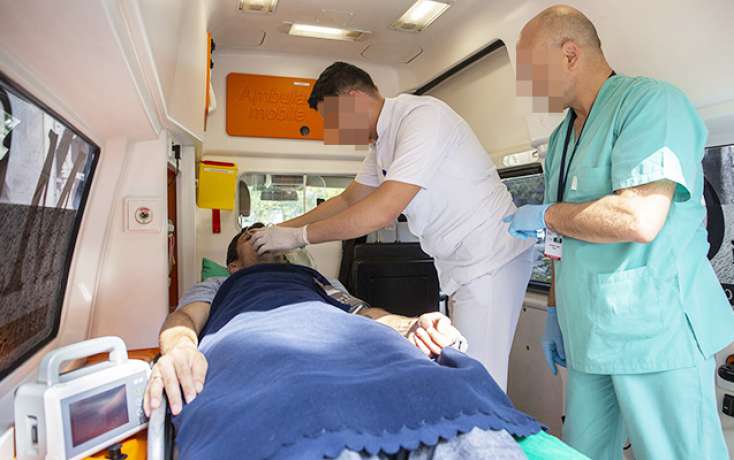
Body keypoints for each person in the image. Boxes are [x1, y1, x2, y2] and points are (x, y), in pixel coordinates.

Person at [504, 5, 734, 459]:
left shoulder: (651, 104)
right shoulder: (560, 140)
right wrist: (555, 311)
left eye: (530, 69)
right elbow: (559, 240)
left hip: (654, 330)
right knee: (584, 451)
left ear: (570, 54)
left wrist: (548, 215)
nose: (525, 85)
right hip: (588, 333)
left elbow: (639, 218)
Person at [141, 225, 582, 459]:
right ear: (235, 266)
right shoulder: (220, 286)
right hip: (259, 343)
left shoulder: (317, 279)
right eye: (249, 237)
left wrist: (412, 325)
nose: (262, 236)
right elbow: (184, 320)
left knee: (460, 415)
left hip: (353, 342)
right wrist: (179, 348)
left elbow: (367, 314)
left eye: (266, 232)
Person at [250, 62, 534, 390]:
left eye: (333, 120)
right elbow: (349, 200)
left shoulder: (422, 118)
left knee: (479, 377)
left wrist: (299, 237)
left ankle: (489, 424)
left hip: (489, 257)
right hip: (461, 264)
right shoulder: (381, 143)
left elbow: (384, 210)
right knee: (463, 368)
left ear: (354, 99)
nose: (333, 133)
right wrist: (279, 229)